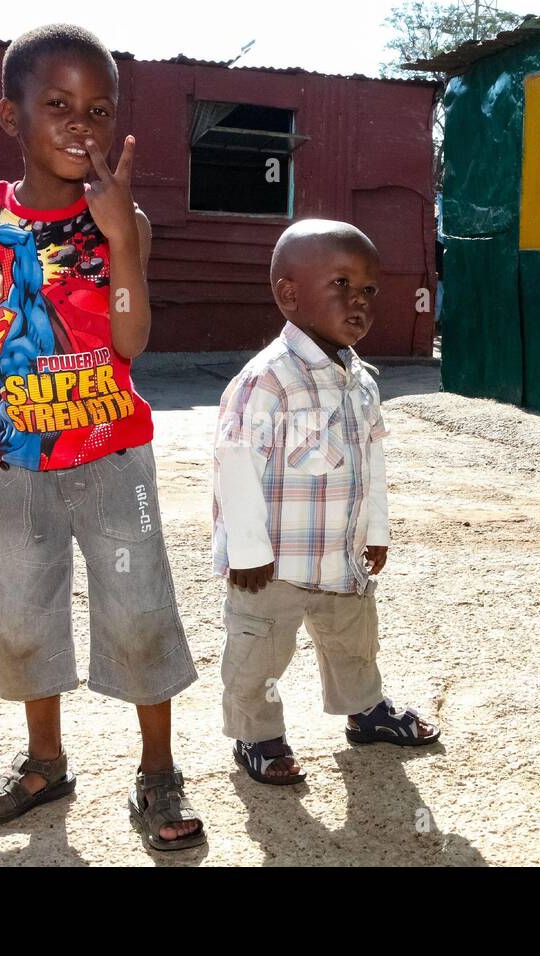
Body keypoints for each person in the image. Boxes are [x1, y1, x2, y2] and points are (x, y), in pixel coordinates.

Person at [0, 23, 204, 851]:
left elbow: (129, 341)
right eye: (57, 104)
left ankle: (157, 772)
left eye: (98, 107)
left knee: (140, 612)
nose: (80, 122)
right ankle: (45, 762)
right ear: (10, 116)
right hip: (15, 461)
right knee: (23, 614)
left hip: (112, 458)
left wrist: (120, 235)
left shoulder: (127, 221)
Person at [213, 219, 441, 786]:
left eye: (369, 291)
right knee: (259, 654)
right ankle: (256, 734)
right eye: (341, 284)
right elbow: (235, 463)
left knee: (354, 640)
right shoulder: (268, 380)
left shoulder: (360, 379)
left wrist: (377, 531)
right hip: (274, 566)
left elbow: (372, 463)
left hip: (342, 556)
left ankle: (365, 712)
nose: (359, 302)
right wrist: (246, 551)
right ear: (290, 294)